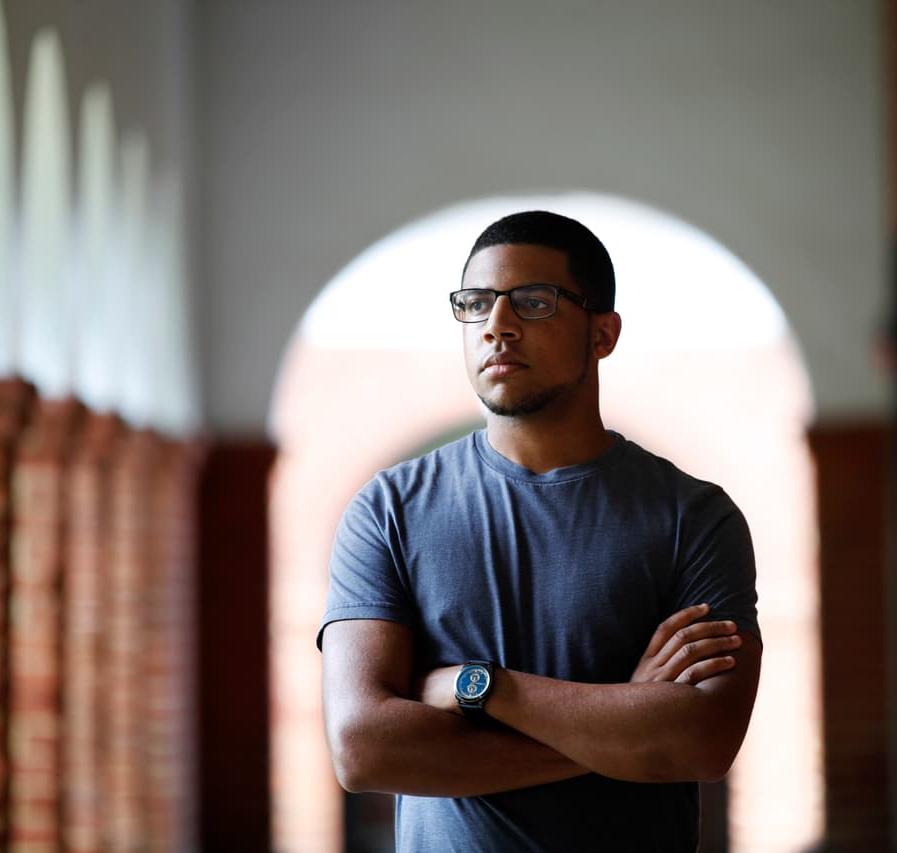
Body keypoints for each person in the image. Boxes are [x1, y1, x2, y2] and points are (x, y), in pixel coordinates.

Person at [318, 210, 762, 852]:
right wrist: (622, 726)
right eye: (475, 304)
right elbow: (363, 750)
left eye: (533, 301)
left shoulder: (692, 518)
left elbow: (701, 740)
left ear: (603, 333)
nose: (497, 325)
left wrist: (480, 687)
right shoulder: (388, 510)